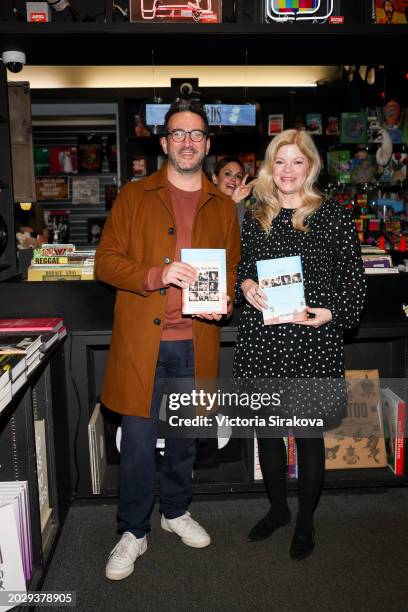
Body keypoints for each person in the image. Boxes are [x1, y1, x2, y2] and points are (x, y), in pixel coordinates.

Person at [95, 99, 240, 581]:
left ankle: (175, 511)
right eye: (177, 133)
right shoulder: (135, 196)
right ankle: (133, 531)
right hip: (143, 344)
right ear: (164, 143)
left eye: (195, 134)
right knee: (137, 443)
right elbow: (106, 263)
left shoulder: (222, 206)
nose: (186, 141)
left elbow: (233, 271)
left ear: (207, 144)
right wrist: (158, 274)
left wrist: (226, 301)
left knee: (183, 438)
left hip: (194, 340)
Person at [233, 129, 365, 560]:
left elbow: (353, 286)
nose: (288, 171)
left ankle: (305, 520)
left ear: (311, 167)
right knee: (268, 433)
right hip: (263, 338)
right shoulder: (255, 215)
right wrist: (246, 284)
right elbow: (238, 270)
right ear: (270, 167)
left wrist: (328, 313)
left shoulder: (334, 216)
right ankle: (277, 510)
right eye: (280, 161)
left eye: (297, 161)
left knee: (308, 437)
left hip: (312, 339)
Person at [212, 157, 254, 226]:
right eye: (227, 174)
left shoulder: (239, 203)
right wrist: (233, 203)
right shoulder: (205, 203)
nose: (233, 179)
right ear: (215, 179)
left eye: (238, 176)